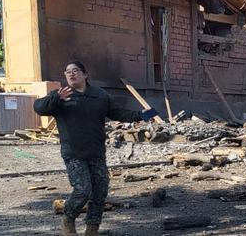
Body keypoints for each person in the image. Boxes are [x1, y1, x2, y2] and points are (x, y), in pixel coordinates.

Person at [33, 60, 159, 236]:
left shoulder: (100, 95)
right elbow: (38, 107)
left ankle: (92, 229)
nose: (71, 74)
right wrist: (56, 98)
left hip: (96, 152)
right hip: (73, 152)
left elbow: (117, 112)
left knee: (100, 192)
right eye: (67, 71)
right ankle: (68, 219)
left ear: (85, 74)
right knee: (82, 190)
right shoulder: (61, 95)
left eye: (75, 70)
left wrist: (141, 115)